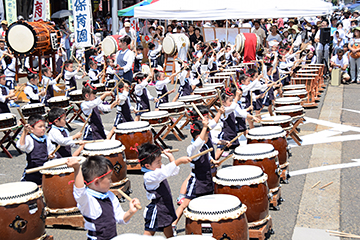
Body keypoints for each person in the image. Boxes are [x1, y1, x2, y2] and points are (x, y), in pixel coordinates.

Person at [66, 156, 140, 240]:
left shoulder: (110, 196)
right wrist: (77, 168)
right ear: (97, 182)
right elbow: (79, 192)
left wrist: (131, 211)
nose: (111, 181)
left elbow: (120, 218)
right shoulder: (88, 201)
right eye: (109, 178)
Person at [172, 119, 214, 235]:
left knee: (208, 202)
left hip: (206, 179)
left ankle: (207, 227)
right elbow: (198, 142)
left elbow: (209, 157)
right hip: (197, 181)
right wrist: (204, 127)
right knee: (185, 203)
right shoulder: (192, 148)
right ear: (198, 135)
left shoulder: (204, 145)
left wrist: (214, 162)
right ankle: (173, 224)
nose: (208, 137)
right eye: (206, 134)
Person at [139, 143, 191, 238]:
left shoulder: (156, 168)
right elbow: (166, 172)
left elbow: (174, 171)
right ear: (147, 165)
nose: (161, 164)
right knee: (149, 233)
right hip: (157, 208)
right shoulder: (149, 176)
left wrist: (171, 157)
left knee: (168, 227)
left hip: (165, 205)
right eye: (158, 162)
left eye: (160, 161)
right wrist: (179, 161)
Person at [17, 114, 55, 185]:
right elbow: (20, 146)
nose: (43, 128)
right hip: (32, 172)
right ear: (31, 128)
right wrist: (25, 132)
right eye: (40, 127)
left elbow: (51, 150)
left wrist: (51, 155)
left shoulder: (46, 138)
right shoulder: (29, 139)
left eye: (44, 126)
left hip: (44, 170)